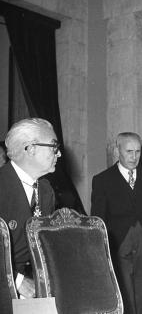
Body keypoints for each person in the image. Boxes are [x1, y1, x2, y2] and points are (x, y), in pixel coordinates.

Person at [91, 132, 142, 314]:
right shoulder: (102, 180)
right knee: (125, 297)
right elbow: (98, 218)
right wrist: (99, 250)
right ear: (117, 151)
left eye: (138, 152)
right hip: (118, 244)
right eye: (129, 151)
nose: (134, 157)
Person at [0, 118, 60, 299]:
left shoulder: (45, 189)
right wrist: (17, 281)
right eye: (54, 147)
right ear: (31, 148)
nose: (59, 154)